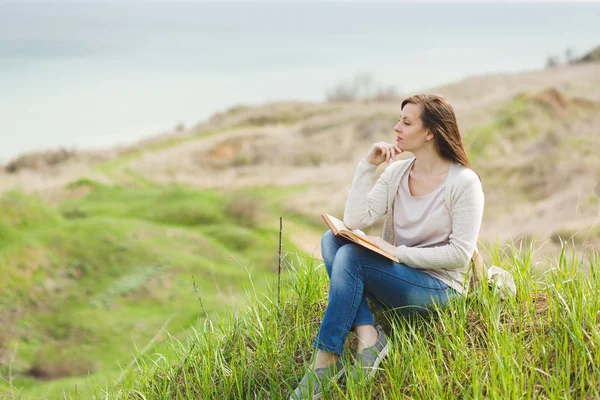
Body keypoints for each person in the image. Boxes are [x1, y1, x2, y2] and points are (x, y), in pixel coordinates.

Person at [290, 94, 485, 400]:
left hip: (440, 289)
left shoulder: (464, 182)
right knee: (333, 240)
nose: (397, 127)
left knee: (353, 257)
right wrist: (367, 167)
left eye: (406, 122)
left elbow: (459, 255)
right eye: (399, 120)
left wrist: (396, 253)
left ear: (430, 132)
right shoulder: (397, 173)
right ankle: (369, 335)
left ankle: (324, 363)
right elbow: (355, 219)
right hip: (399, 277)